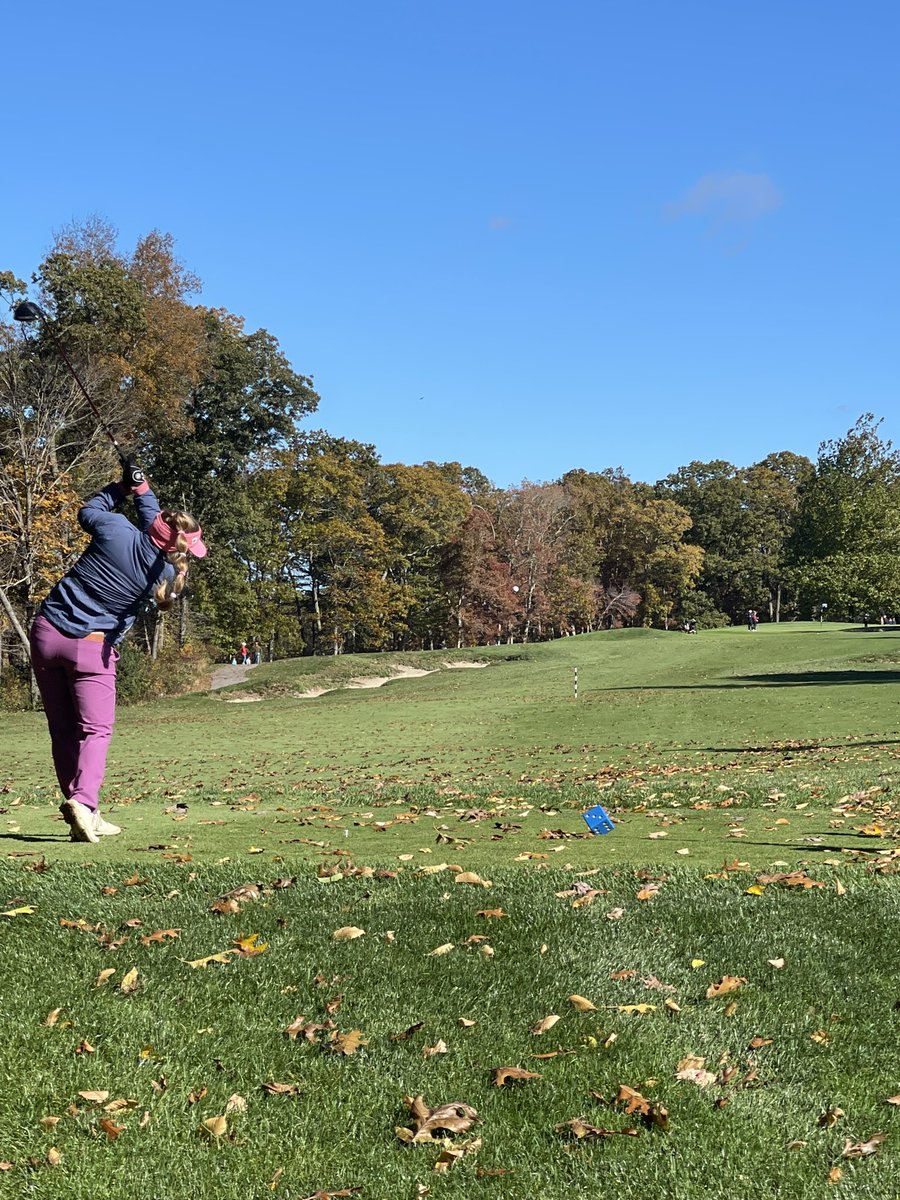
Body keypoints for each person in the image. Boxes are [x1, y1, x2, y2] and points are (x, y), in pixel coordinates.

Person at [29, 460, 207, 844]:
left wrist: (124, 488)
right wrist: (142, 491)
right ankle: (83, 802)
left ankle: (86, 812)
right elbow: (155, 530)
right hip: (89, 647)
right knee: (95, 730)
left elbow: (90, 511)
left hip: (45, 634)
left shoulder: (116, 528)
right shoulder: (163, 575)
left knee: (62, 729)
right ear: (178, 547)